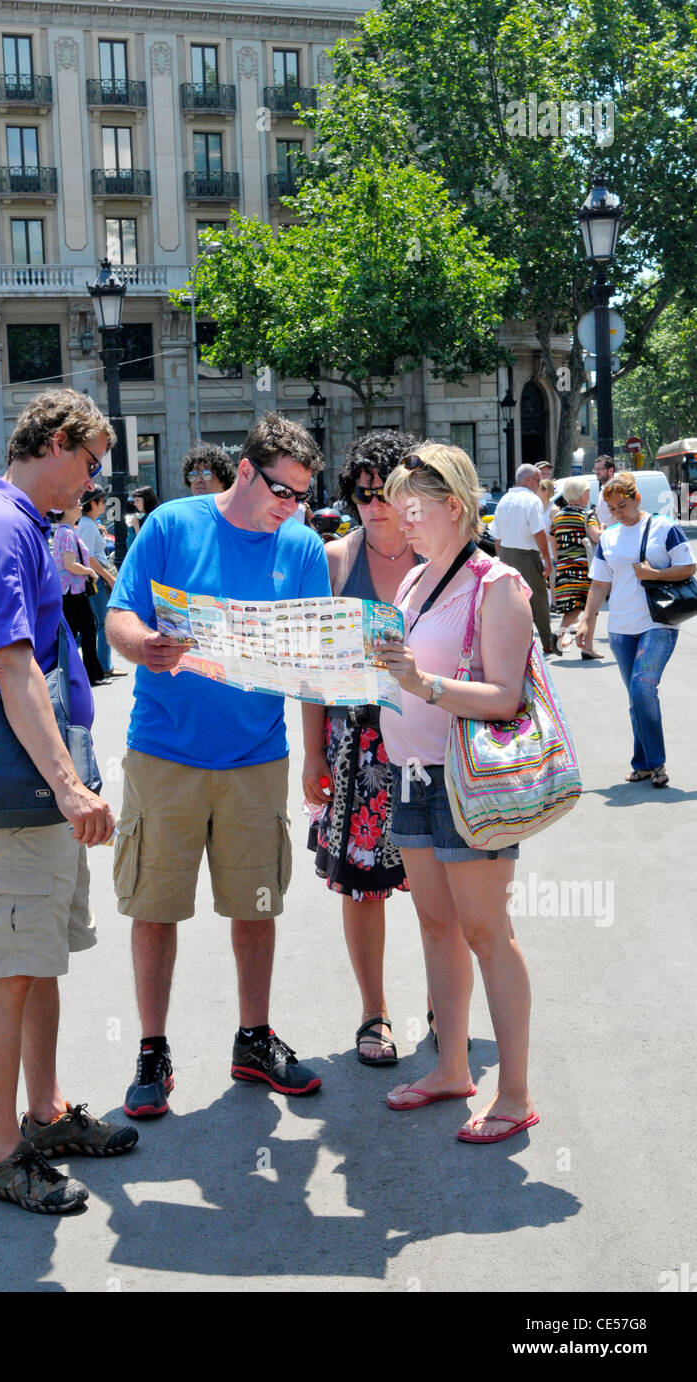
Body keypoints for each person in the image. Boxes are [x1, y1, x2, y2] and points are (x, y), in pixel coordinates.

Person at [0, 388, 137, 1214]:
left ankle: (44, 1114)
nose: (92, 485)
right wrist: (66, 784)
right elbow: (13, 664)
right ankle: (4, 1152)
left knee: (39, 959)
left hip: (39, 778)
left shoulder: (18, 525)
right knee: (12, 968)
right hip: (25, 785)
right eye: (90, 464)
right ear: (55, 442)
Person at [106, 412, 329, 1117]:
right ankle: (151, 1049)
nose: (291, 509)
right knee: (153, 906)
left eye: (300, 496)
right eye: (281, 492)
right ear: (243, 471)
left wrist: (314, 753)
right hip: (163, 751)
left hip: (257, 756)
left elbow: (315, 664)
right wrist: (143, 643)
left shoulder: (301, 548)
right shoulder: (172, 525)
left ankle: (253, 1038)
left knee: (256, 904)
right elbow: (118, 615)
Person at [375, 442, 539, 1144]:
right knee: (436, 928)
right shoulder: (414, 582)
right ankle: (449, 1067)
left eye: (410, 507)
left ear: (454, 506)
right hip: (409, 774)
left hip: (468, 781)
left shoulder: (495, 583)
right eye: (393, 506)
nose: (398, 519)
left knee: (485, 934)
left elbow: (505, 698)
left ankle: (515, 1093)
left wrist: (421, 684)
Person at [301, 430, 419, 1066]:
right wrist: (313, 752)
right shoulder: (333, 561)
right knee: (362, 884)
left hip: (431, 738)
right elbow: (311, 665)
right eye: (362, 493)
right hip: (357, 745)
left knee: (440, 885)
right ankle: (374, 1013)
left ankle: (441, 1004)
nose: (374, 505)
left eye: (386, 492)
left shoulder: (445, 555)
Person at [575, 472, 695, 787]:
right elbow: (599, 584)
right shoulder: (610, 537)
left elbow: (688, 566)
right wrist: (588, 621)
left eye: (623, 506)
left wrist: (654, 574)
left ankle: (656, 764)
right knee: (636, 697)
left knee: (643, 687)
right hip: (620, 629)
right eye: (612, 509)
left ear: (637, 498)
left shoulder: (664, 528)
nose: (618, 513)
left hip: (658, 623)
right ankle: (642, 763)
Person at [491, 464, 559, 655]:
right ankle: (546, 642)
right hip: (527, 556)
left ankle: (518, 642)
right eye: (537, 480)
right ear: (527, 480)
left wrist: (499, 557)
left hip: (505, 553)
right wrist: (546, 557)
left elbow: (497, 534)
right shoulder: (532, 500)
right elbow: (538, 532)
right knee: (538, 600)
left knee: (510, 601)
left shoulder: (504, 499)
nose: (539, 484)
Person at [51, 504, 106, 687]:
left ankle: (77, 674)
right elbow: (69, 563)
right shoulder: (67, 533)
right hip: (73, 591)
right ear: (64, 510)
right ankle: (91, 674)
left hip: (69, 591)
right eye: (75, 504)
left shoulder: (64, 531)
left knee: (75, 633)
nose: (80, 507)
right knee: (88, 631)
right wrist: (90, 571)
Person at [78, 487, 127, 679]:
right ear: (93, 503)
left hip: (95, 578)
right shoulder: (87, 525)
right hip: (96, 579)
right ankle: (104, 666)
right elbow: (88, 557)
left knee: (99, 622)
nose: (105, 504)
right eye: (102, 500)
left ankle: (104, 665)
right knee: (104, 622)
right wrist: (109, 577)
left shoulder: (89, 523)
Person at [548, 477, 601, 654]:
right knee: (588, 608)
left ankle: (565, 636)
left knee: (575, 605)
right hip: (584, 569)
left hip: (564, 567)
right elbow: (596, 537)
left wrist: (560, 560)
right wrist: (605, 529)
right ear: (581, 494)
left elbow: (553, 540)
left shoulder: (559, 517)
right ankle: (586, 648)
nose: (588, 495)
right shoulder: (587, 515)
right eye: (587, 492)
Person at [594, 455, 616, 528]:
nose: (596, 472)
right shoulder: (602, 492)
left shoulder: (616, 490)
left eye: (600, 469)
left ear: (611, 470)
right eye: (595, 469)